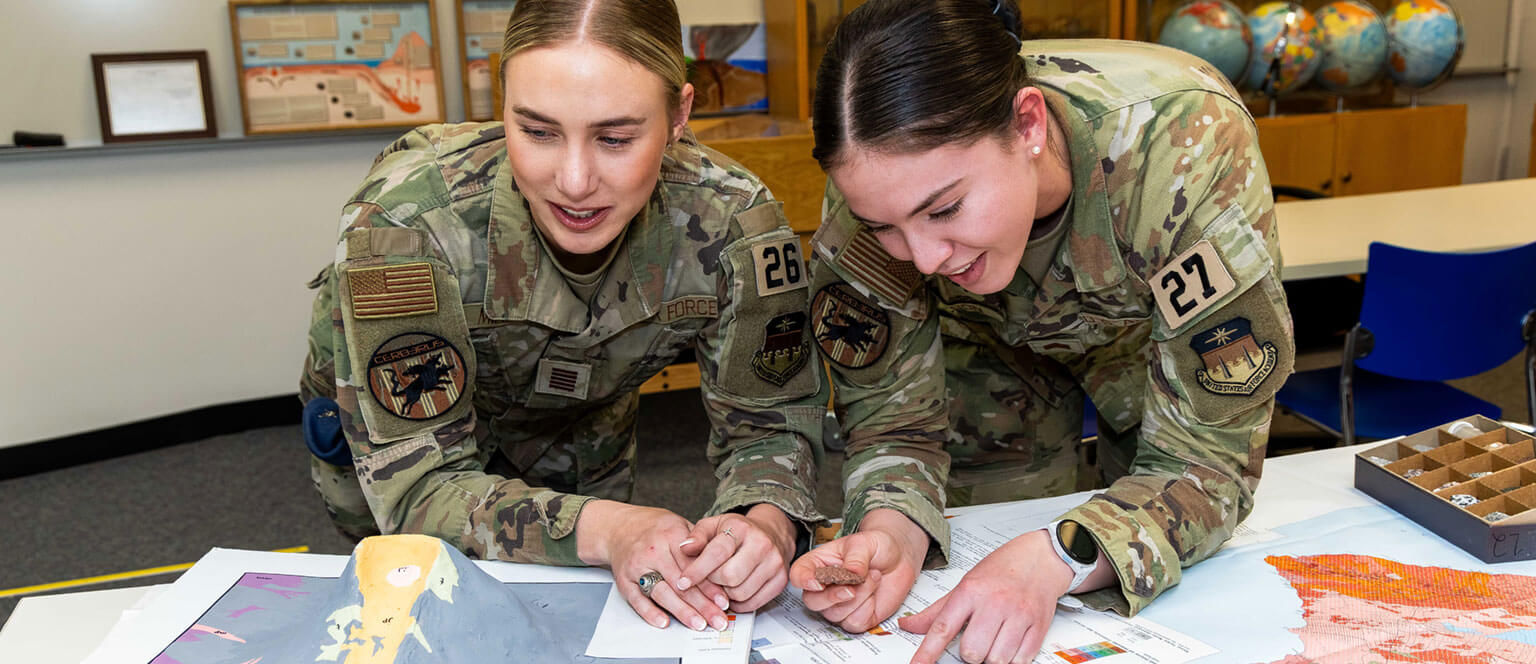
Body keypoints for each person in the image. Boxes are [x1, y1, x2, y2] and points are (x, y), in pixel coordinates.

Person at [297, 0, 829, 633]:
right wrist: (611, 529)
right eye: (539, 132)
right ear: (503, 106)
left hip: (585, 418)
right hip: (403, 449)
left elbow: (768, 426)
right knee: (423, 614)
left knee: (578, 621)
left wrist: (763, 522)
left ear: (681, 115)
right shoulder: (409, 224)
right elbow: (418, 490)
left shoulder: (732, 222)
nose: (575, 181)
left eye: (615, 138)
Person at [787, 1, 1296, 662]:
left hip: (1144, 352)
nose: (923, 257)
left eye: (944, 209)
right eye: (886, 228)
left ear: (1027, 124)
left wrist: (1061, 555)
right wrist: (893, 525)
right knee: (982, 580)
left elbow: (1208, 461)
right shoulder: (880, 178)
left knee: (1160, 578)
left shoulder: (1181, 144)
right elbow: (893, 422)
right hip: (985, 350)